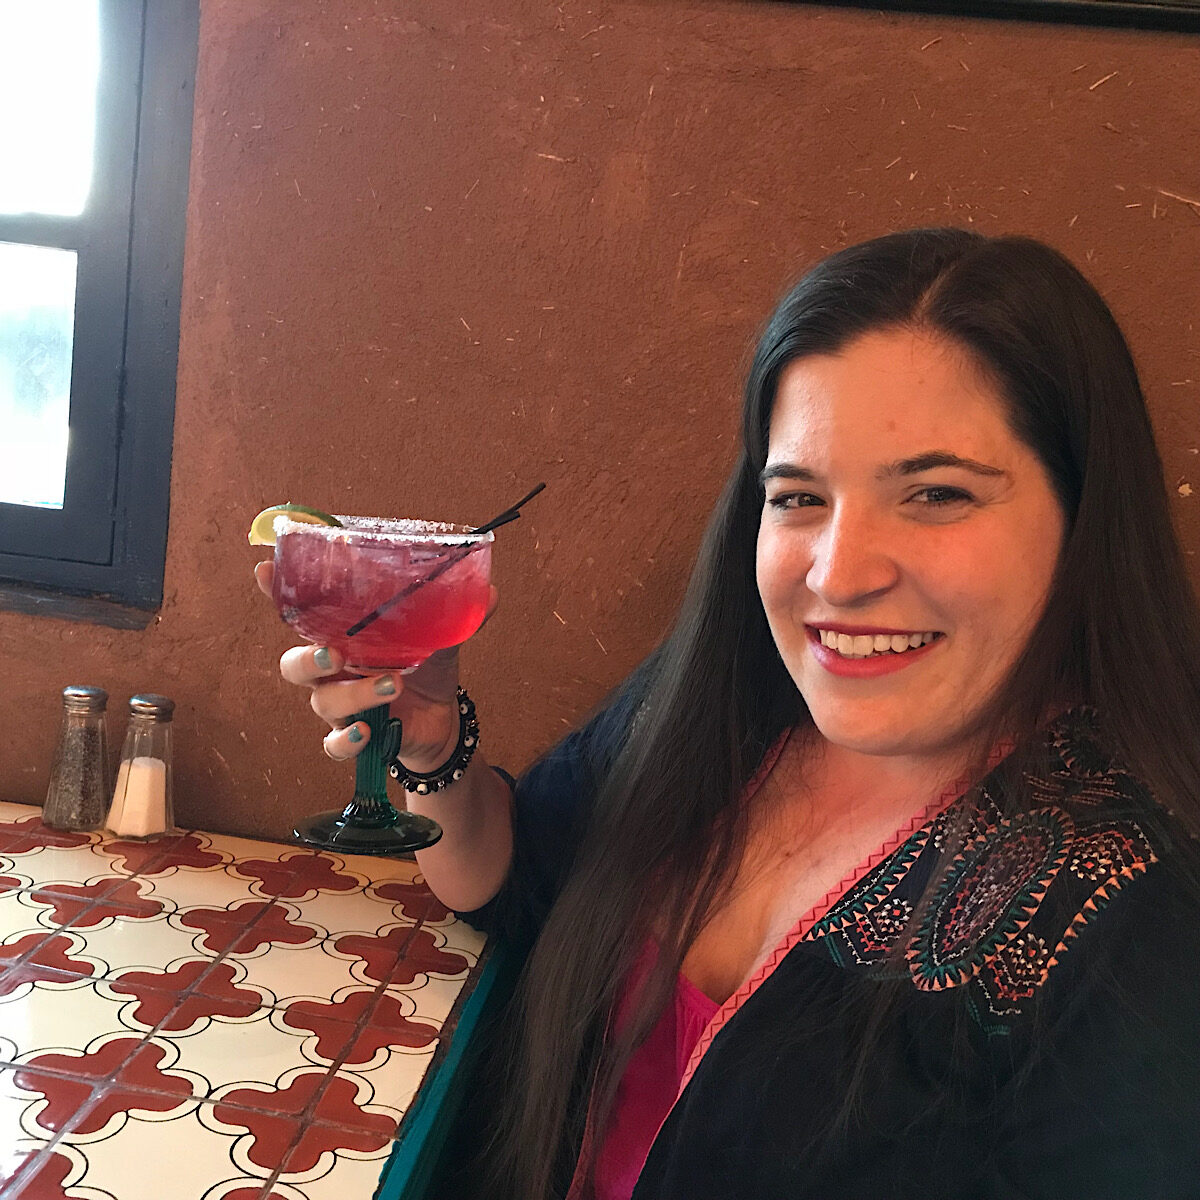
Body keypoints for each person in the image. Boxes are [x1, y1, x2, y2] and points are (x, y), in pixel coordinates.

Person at [256, 228, 1200, 1200]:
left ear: (1085, 515)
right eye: (798, 497)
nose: (840, 573)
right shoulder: (731, 699)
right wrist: (434, 744)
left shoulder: (1131, 915)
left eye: (936, 494)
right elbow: (515, 879)